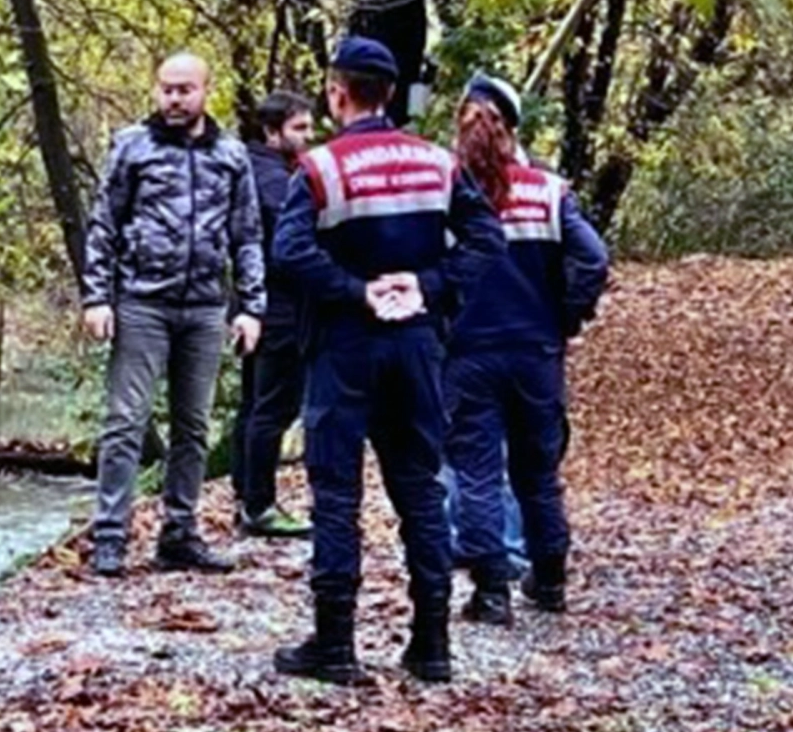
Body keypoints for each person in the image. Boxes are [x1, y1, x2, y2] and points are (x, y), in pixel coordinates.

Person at [270, 36, 505, 685]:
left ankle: (336, 645)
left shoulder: (318, 170)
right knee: (420, 492)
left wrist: (354, 290)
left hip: (344, 346)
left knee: (337, 496)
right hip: (417, 346)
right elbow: (487, 237)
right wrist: (427, 285)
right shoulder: (437, 164)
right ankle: (431, 644)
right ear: (392, 94)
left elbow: (289, 253)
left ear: (335, 92)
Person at [81, 52, 266, 578]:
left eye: (185, 89)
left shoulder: (231, 154)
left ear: (207, 91)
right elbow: (104, 225)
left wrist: (251, 307)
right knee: (125, 420)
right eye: (166, 89)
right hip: (142, 301)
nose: (174, 99)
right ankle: (110, 536)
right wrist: (97, 297)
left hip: (206, 306)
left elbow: (247, 235)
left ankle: (179, 533)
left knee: (193, 425)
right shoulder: (132, 147)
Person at [444, 73, 610, 623]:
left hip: (467, 351)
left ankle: (491, 590)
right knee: (538, 472)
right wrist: (565, 315)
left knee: (476, 471)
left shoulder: (447, 192)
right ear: (513, 129)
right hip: (536, 351)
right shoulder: (548, 190)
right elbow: (592, 260)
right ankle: (551, 580)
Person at [230, 90, 314, 539]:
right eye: (299, 128)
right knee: (273, 407)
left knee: (255, 403)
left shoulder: (267, 169)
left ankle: (247, 495)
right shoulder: (270, 178)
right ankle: (258, 504)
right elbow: (290, 236)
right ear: (271, 131)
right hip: (277, 306)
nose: (308, 137)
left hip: (258, 303)